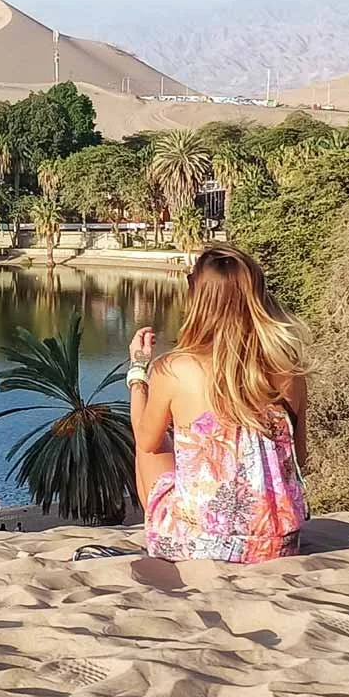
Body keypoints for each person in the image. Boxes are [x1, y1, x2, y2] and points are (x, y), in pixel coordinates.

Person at [127, 242, 309, 569]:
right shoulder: (289, 370)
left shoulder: (175, 368)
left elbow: (145, 440)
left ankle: (165, 534)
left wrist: (138, 372)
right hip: (277, 544)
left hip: (199, 544)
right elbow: (299, 459)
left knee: (151, 444)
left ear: (200, 299)